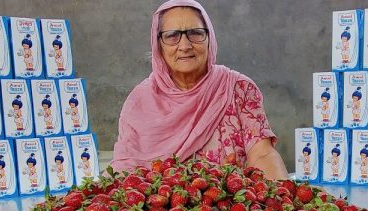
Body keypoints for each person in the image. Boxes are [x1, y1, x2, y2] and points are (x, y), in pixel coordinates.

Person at [110, 0, 288, 180]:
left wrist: (281, 198)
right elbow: (125, 170)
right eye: (172, 36)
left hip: (232, 204)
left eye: (195, 33)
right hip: (157, 207)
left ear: (209, 39)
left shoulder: (238, 88)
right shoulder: (139, 102)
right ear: (159, 46)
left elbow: (262, 154)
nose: (185, 46)